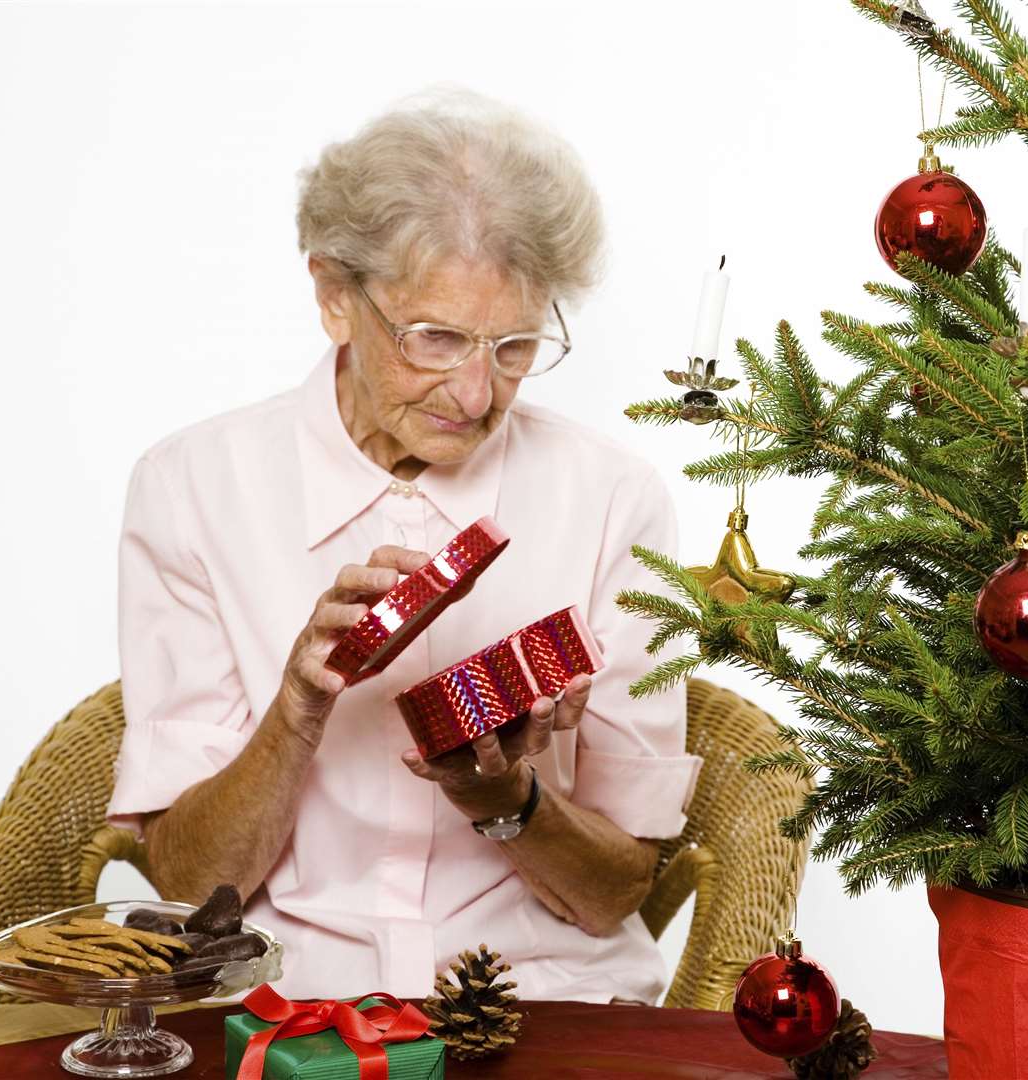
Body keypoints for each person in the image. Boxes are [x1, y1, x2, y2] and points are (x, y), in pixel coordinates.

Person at [105, 89, 703, 1005]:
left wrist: (504, 801)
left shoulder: (615, 500)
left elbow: (616, 892)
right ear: (335, 297)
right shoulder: (190, 487)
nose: (474, 393)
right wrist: (300, 707)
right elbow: (187, 885)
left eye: (513, 346)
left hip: (535, 996)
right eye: (436, 339)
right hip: (284, 997)